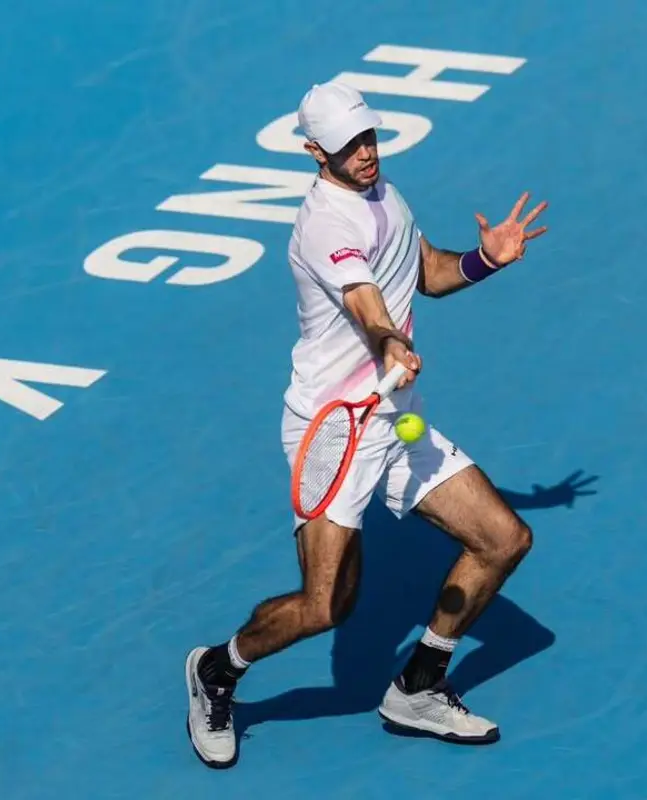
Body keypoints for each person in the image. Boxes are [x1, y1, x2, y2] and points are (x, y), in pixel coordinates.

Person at [184, 79, 549, 769]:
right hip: (333, 434)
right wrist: (388, 341)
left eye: (369, 136)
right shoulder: (325, 223)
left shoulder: (386, 196)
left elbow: (426, 273)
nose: (365, 152)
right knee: (327, 605)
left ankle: (418, 686)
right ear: (315, 152)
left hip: (393, 423)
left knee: (503, 538)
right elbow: (366, 302)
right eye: (350, 144)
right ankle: (216, 671)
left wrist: (484, 260)